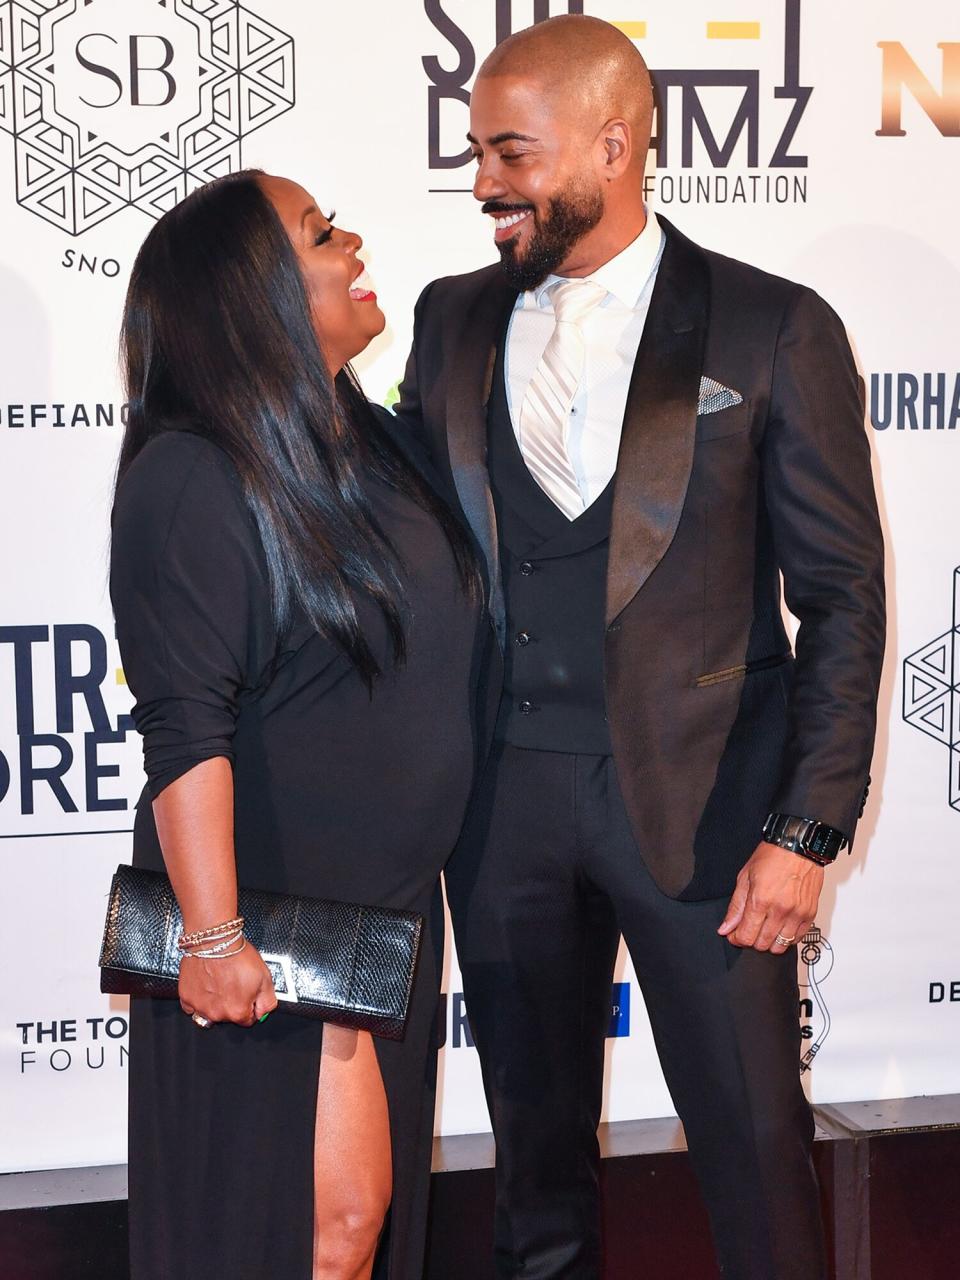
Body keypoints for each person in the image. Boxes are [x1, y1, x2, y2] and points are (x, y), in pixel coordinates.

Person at [394, 15, 885, 1280]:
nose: (484, 181)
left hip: (710, 821)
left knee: (756, 1164)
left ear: (612, 146)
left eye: (511, 150)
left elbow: (841, 596)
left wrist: (805, 828)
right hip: (500, 813)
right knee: (533, 1180)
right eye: (476, 150)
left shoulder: (770, 325)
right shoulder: (449, 321)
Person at [110, 170, 481, 1280]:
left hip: (380, 931)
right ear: (251, 294)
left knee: (354, 1235)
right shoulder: (191, 472)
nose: (353, 239)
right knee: (303, 1239)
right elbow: (185, 726)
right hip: (265, 937)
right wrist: (214, 938)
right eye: (321, 233)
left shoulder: (381, 444)